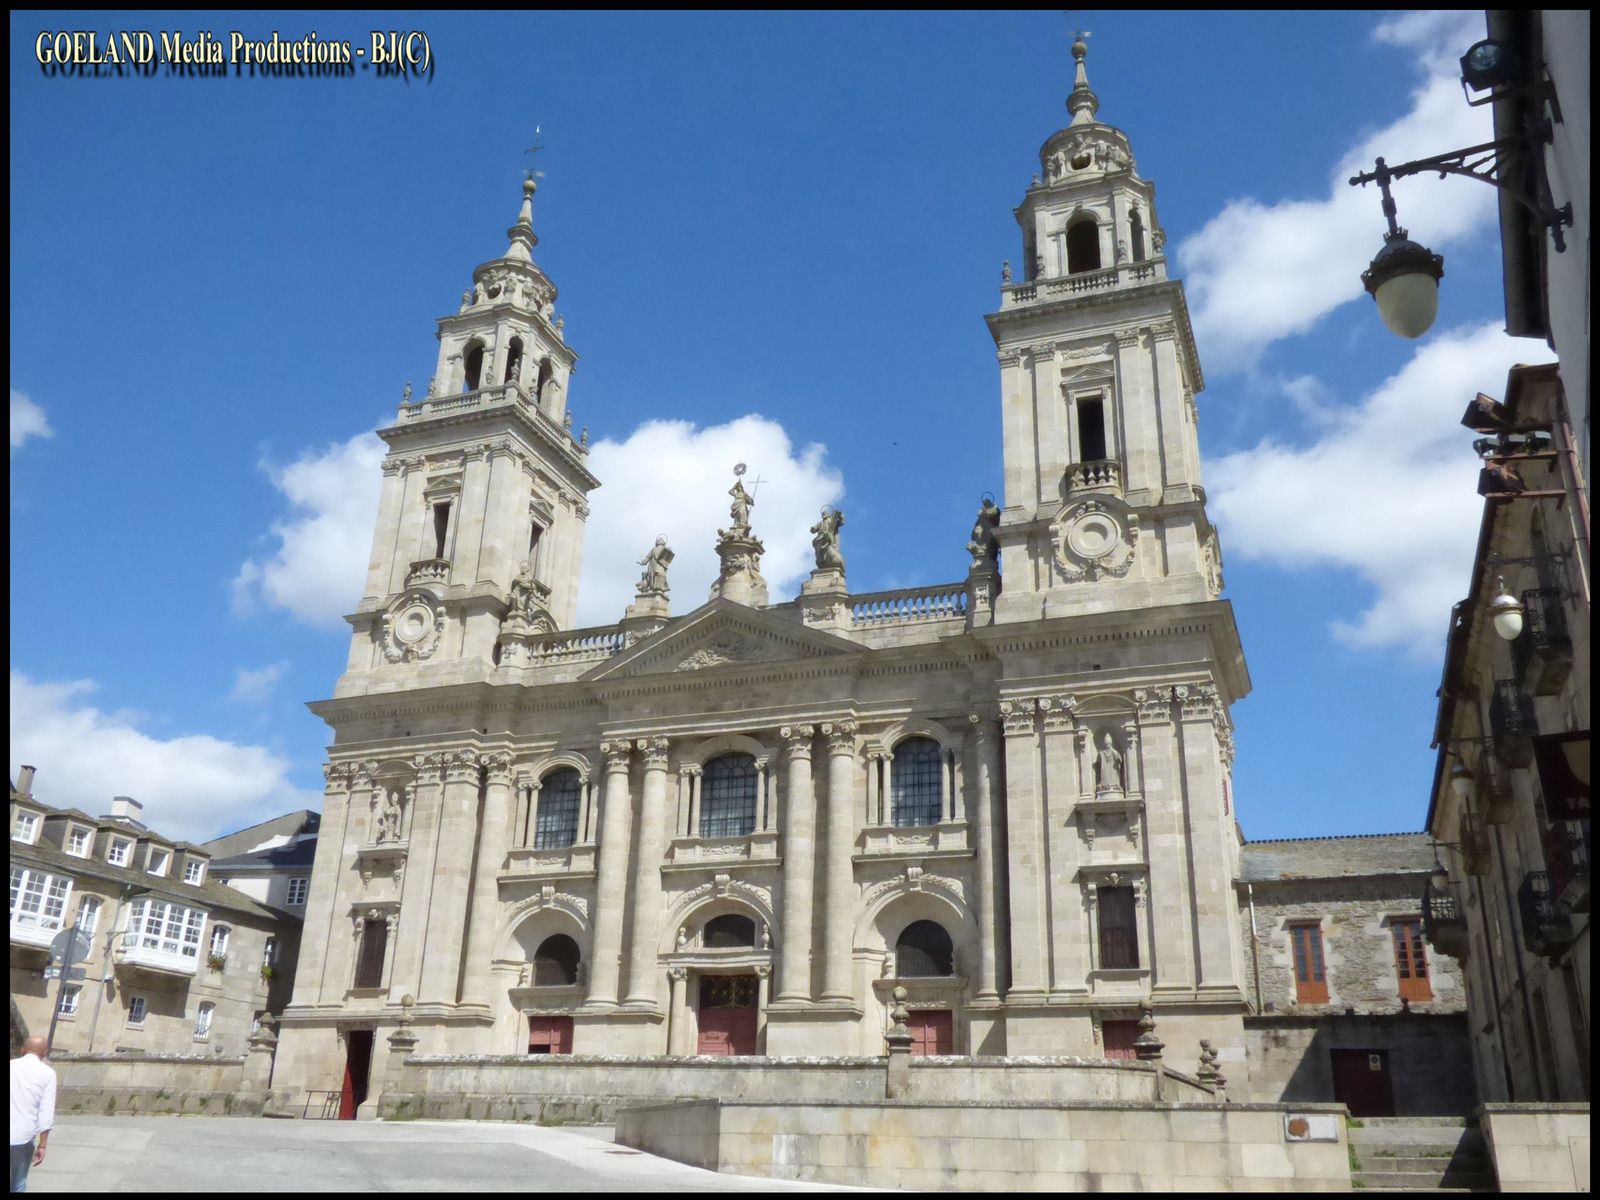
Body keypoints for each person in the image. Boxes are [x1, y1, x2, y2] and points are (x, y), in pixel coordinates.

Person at [10, 1034, 56, 1193]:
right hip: (23, 1136)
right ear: (44, 1053)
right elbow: (46, 1112)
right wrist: (43, 1145)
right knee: (18, 1184)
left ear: (22, 1050)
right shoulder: (48, 1073)